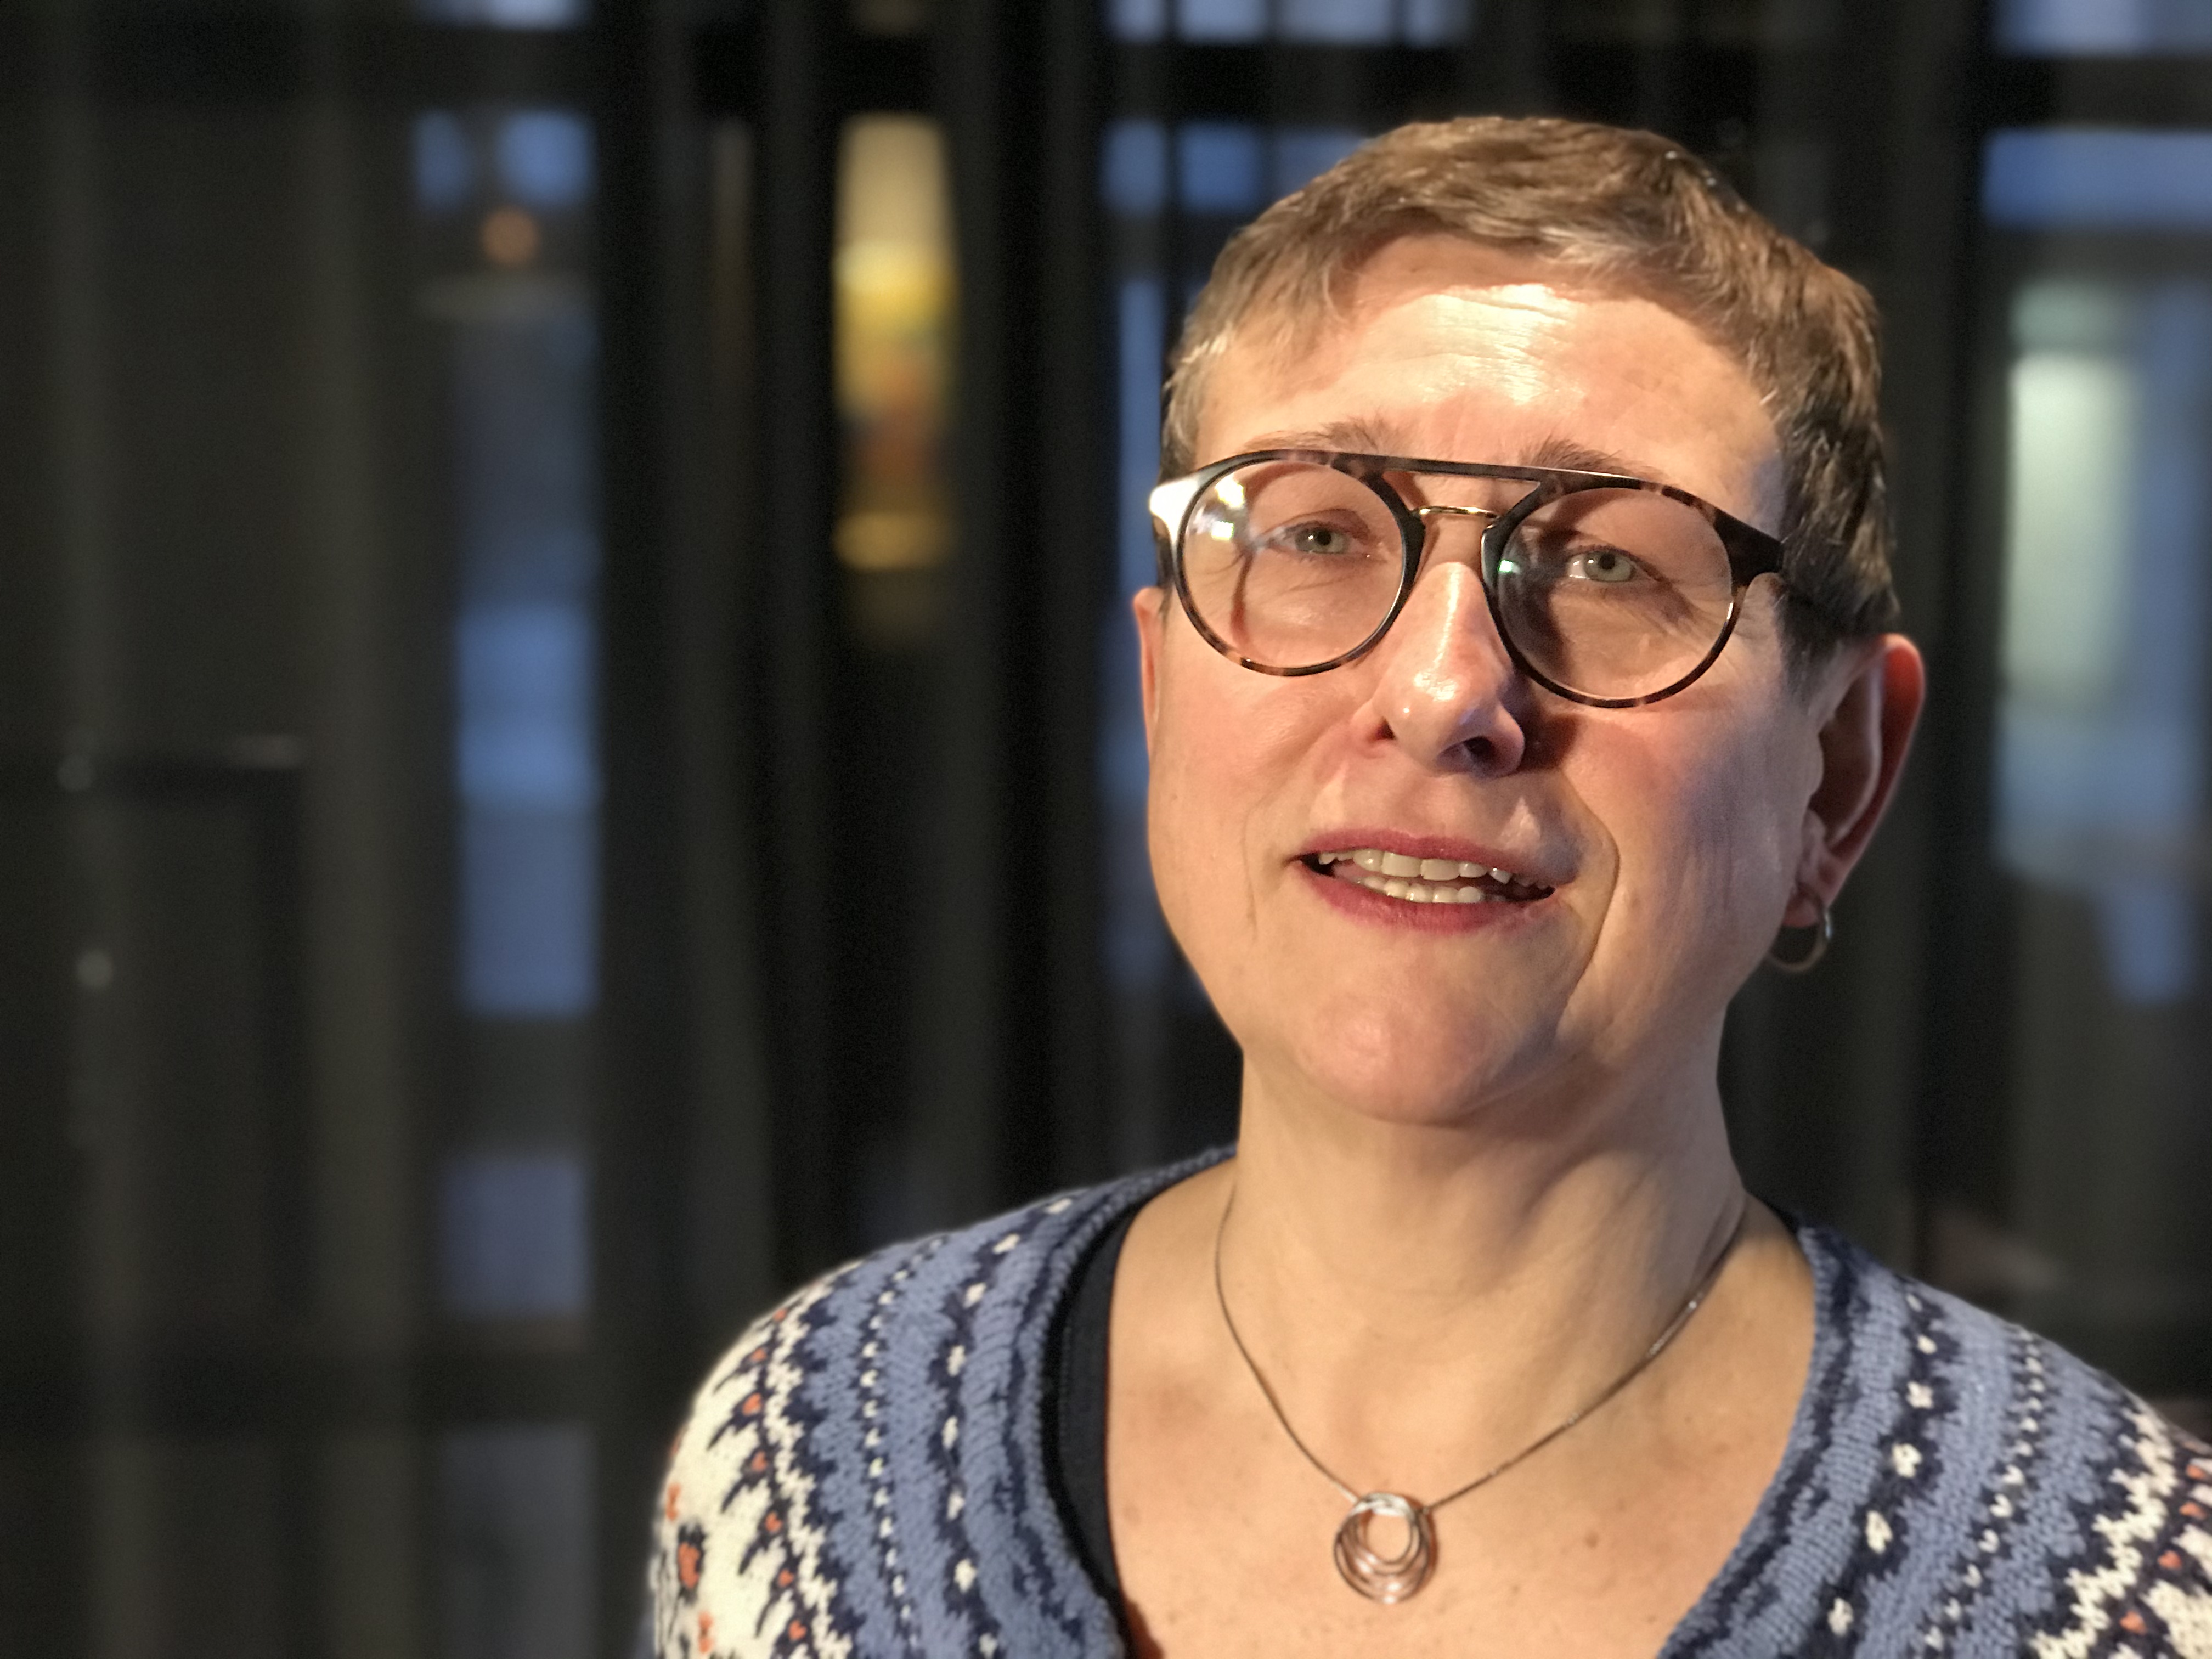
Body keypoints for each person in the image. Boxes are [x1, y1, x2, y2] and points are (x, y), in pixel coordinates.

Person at [650, 117, 2212, 1658]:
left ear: (1839, 772)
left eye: (1608, 564)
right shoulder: (807, 1457)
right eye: (1320, 534)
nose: (1444, 689)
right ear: (1162, 689)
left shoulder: (2132, 1600)